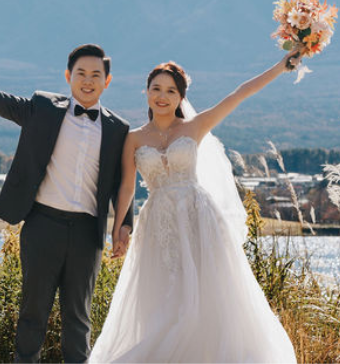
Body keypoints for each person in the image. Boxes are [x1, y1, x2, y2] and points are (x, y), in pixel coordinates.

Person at [0, 38, 134, 363]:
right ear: (67, 76)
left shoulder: (119, 129)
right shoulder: (44, 108)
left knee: (79, 321)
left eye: (95, 74)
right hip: (42, 226)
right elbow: (0, 102)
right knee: (32, 316)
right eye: (80, 73)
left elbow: (124, 183)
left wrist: (124, 227)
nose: (87, 80)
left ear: (107, 81)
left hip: (87, 235)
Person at [89, 55, 300, 363]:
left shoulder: (196, 126)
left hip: (198, 219)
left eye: (171, 91)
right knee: (163, 297)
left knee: (206, 296)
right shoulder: (133, 138)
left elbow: (239, 93)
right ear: (146, 92)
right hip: (157, 223)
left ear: (181, 97)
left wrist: (283, 65)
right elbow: (127, 187)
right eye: (156, 89)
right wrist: (119, 227)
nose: (162, 96)